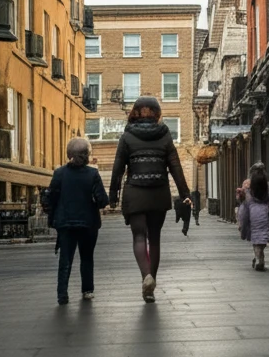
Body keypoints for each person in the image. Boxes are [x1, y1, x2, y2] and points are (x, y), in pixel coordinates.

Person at [109, 96, 192, 302]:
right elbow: (175, 167)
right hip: (158, 193)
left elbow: (118, 169)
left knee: (139, 237)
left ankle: (146, 276)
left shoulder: (127, 137)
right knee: (154, 238)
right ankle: (151, 284)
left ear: (135, 113)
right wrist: (185, 194)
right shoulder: (165, 136)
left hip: (135, 193)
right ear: (157, 113)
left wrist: (112, 196)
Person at [43, 137, 109, 305]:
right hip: (88, 223)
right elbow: (102, 199)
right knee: (87, 257)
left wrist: (53, 216)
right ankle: (87, 290)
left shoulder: (59, 173)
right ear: (87, 155)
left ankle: (62, 294)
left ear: (69, 154)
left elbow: (50, 198)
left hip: (65, 222)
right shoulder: (93, 174)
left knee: (65, 259)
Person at [236, 163, 269, 270]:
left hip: (252, 213)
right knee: (262, 238)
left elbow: (242, 202)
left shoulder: (247, 185)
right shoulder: (268, 185)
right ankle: (260, 256)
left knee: (256, 237)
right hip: (264, 214)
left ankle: (258, 258)